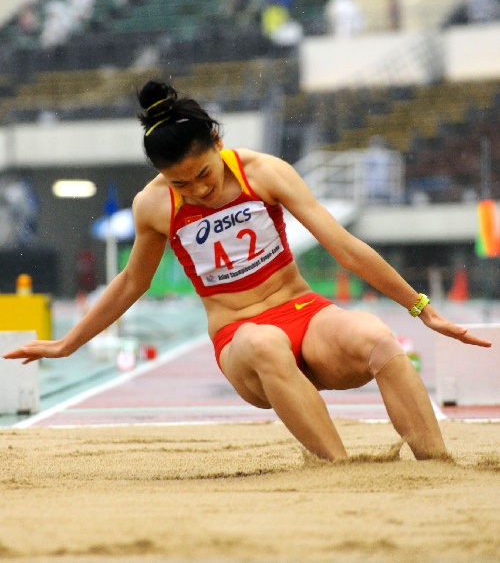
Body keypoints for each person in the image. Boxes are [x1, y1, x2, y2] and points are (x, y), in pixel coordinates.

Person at [3, 81, 491, 461]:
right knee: (265, 342)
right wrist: (70, 343)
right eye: (181, 183)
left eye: (204, 175)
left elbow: (344, 246)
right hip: (240, 338)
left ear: (217, 141)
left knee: (379, 339)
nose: (198, 191)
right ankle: (340, 472)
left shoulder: (265, 172)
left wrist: (421, 308)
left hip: (304, 312)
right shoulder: (152, 206)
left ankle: (435, 462)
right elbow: (133, 282)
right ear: (160, 175)